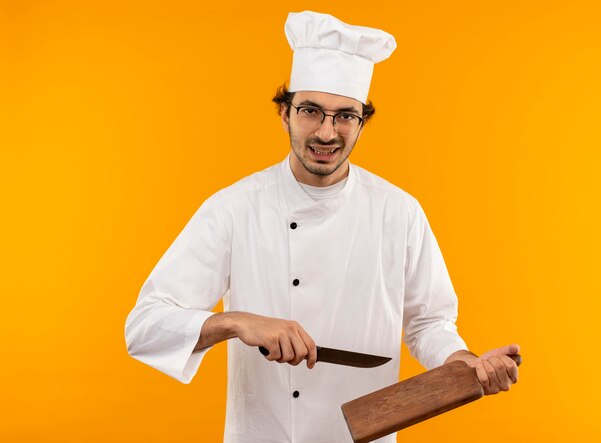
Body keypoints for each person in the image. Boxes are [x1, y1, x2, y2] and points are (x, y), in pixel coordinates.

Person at [125, 10, 520, 443]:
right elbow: (144, 325)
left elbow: (429, 324)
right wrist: (236, 322)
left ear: (362, 121)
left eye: (345, 115)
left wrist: (466, 363)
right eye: (311, 111)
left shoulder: (399, 211)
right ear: (284, 113)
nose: (327, 133)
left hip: (365, 435)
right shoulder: (235, 208)